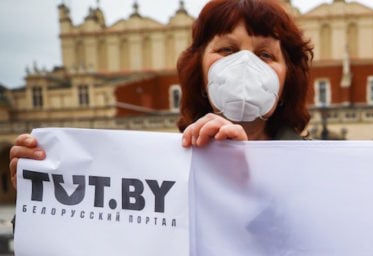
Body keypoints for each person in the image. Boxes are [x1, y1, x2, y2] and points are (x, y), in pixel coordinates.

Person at [8, 0, 314, 188]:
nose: (245, 64)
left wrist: (248, 173)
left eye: (265, 54)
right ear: (201, 74)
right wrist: (40, 198)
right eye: (227, 50)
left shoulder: (321, 168)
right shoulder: (158, 167)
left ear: (289, 78)